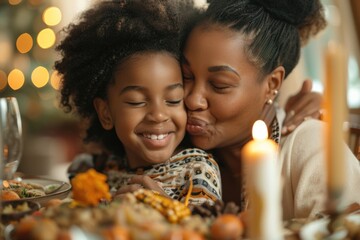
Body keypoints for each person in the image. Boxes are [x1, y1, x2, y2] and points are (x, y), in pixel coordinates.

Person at [180, 0, 360, 219]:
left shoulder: (312, 149)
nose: (193, 99)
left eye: (219, 84)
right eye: (186, 76)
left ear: (272, 84)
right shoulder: (173, 153)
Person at [54, 0, 222, 206]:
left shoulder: (197, 170)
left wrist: (164, 208)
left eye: (173, 100)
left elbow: (207, 230)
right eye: (137, 102)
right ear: (106, 113)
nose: (159, 115)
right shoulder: (97, 168)